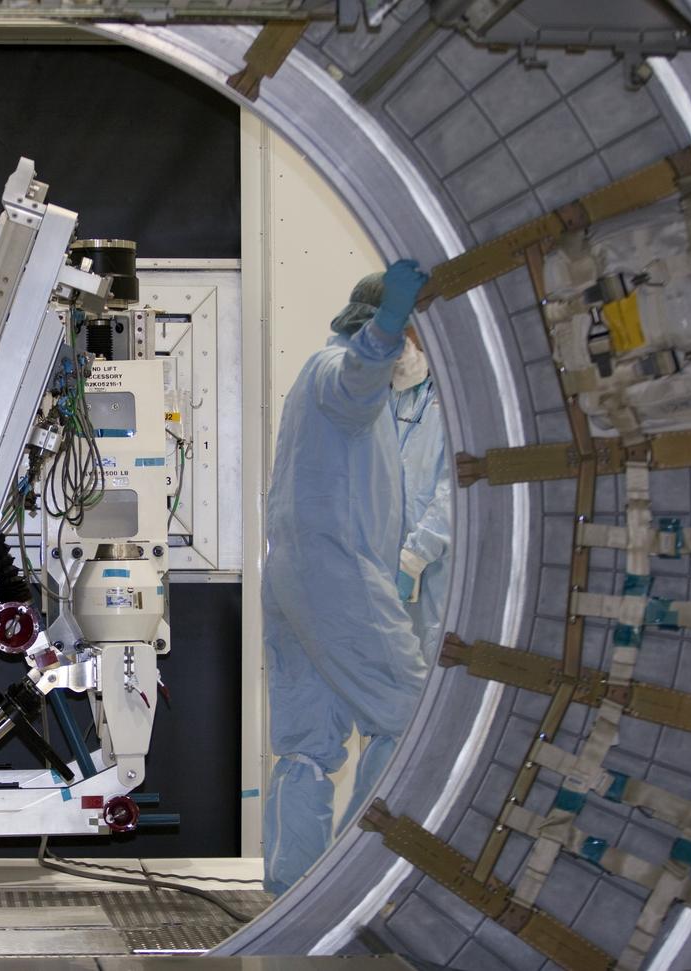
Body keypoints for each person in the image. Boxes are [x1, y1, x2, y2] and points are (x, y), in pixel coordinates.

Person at [262, 260, 430, 895]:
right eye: (416, 335)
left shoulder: (318, 381)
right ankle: (364, 883)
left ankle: (293, 893)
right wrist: (389, 327)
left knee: (309, 745)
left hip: (299, 580)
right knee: (412, 721)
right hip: (340, 581)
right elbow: (359, 379)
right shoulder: (338, 373)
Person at [392, 330, 452, 666]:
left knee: (436, 666)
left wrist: (414, 557)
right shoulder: (403, 393)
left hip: (436, 570)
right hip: (395, 563)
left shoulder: (458, 398)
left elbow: (454, 493)